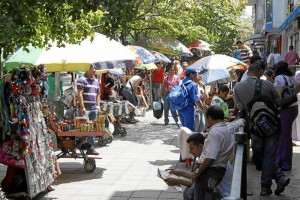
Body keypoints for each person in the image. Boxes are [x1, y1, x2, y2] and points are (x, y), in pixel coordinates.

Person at [234, 62, 290, 195]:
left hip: (254, 126)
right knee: (269, 155)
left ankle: (268, 185)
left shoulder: (238, 87)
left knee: (262, 154)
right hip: (272, 125)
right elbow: (279, 102)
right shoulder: (268, 84)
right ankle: (276, 180)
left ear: (247, 73)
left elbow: (241, 108)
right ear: (260, 73)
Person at [191, 106, 235, 200]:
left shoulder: (215, 132)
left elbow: (211, 157)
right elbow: (239, 122)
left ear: (210, 118)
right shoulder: (229, 127)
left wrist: (198, 171)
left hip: (211, 170)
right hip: (218, 169)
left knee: (201, 196)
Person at [274, 61, 299, 171]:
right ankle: (282, 160)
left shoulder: (279, 78)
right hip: (294, 107)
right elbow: (298, 88)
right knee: (286, 135)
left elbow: (278, 96)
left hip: (285, 109)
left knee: (284, 136)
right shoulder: (291, 78)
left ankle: (283, 162)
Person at [76, 64, 100, 155]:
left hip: (93, 109)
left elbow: (98, 94)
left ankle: (91, 147)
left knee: (92, 129)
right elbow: (80, 94)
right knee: (81, 128)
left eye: (95, 68)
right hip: (85, 109)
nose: (94, 70)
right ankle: (78, 146)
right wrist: (82, 107)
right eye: (93, 68)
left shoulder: (96, 81)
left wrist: (98, 106)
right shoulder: (81, 80)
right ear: (88, 69)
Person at [178, 66, 205, 131]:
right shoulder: (192, 84)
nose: (197, 75)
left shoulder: (181, 82)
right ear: (191, 74)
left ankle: (185, 141)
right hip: (188, 109)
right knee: (189, 131)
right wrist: (203, 109)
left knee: (185, 130)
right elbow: (196, 100)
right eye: (196, 73)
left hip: (180, 109)